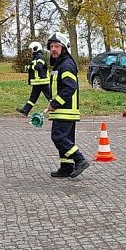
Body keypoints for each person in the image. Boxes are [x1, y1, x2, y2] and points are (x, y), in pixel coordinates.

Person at [43, 32, 90, 178]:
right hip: (64, 110)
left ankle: (79, 160)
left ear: (64, 48)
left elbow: (70, 88)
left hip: (65, 110)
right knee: (66, 139)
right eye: (51, 47)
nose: (53, 49)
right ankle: (66, 167)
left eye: (57, 46)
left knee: (58, 137)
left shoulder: (66, 65)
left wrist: (55, 104)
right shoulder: (60, 65)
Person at [16, 41, 51, 116]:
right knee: (33, 98)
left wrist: (29, 67)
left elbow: (38, 67)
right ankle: (25, 110)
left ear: (35, 48)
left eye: (32, 49)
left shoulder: (40, 57)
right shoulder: (35, 57)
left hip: (43, 81)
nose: (31, 51)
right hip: (37, 82)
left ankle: (56, 108)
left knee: (49, 97)